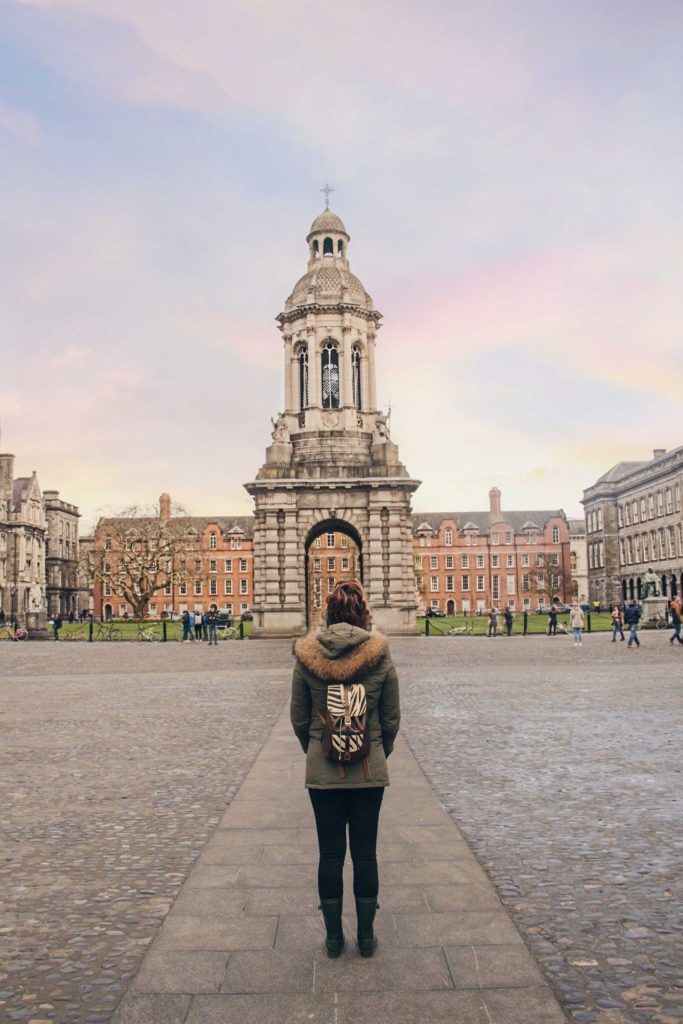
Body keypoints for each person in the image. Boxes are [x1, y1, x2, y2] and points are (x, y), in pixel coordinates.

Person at [290, 580, 400, 960]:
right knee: (366, 855)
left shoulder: (307, 654)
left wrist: (319, 754)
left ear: (328, 614)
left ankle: (334, 939)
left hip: (323, 773)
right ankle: (367, 938)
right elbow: (391, 719)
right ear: (363, 614)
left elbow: (299, 718)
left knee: (330, 855)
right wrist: (376, 753)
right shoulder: (381, 653)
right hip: (371, 772)